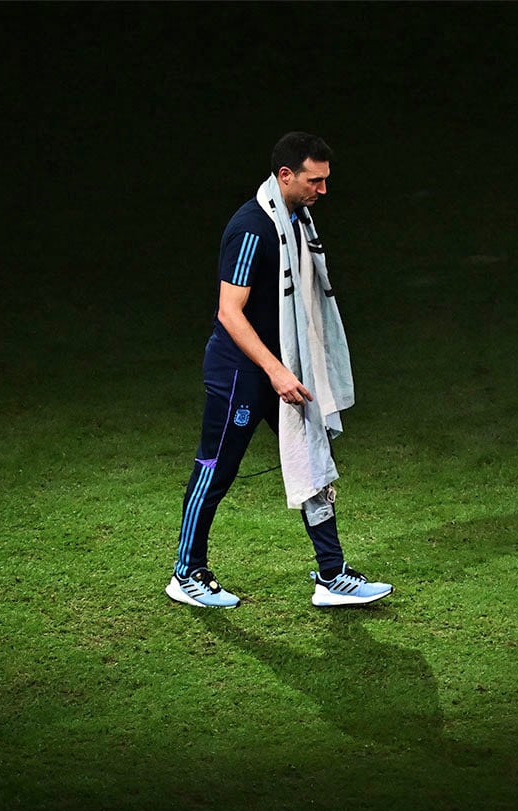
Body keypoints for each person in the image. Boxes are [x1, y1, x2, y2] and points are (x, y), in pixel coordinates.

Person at [166, 132, 392, 609]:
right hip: (242, 374)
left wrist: (289, 369)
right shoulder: (252, 227)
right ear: (285, 175)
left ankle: (331, 576)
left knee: (314, 462)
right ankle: (186, 572)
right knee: (216, 469)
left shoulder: (297, 219)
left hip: (285, 368)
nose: (323, 191)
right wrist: (274, 372)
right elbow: (230, 311)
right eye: (315, 180)